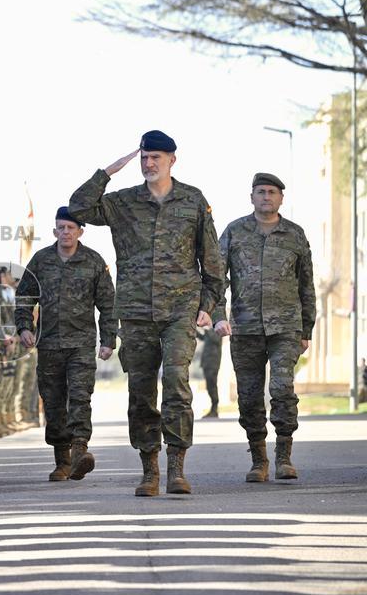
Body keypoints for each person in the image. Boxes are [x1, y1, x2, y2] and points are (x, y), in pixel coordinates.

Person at [68, 130, 223, 496]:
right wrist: (108, 171)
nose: (149, 163)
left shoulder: (193, 200)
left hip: (180, 310)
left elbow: (212, 259)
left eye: (156, 157)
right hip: (136, 312)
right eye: (144, 158)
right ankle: (149, 468)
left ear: (172, 160)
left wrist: (210, 306)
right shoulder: (123, 202)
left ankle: (177, 467)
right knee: (140, 392)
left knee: (176, 382)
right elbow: (78, 208)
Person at [212, 172, 315, 482]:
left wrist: (306, 329)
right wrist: (218, 314)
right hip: (245, 327)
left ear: (281, 198)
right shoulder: (235, 231)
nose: (266, 196)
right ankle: (259, 460)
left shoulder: (294, 234)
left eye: (271, 192)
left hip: (285, 327)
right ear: (252, 197)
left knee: (282, 389)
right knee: (249, 396)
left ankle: (284, 457)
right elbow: (216, 278)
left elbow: (306, 284)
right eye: (260, 191)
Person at [15, 206, 116, 481]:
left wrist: (108, 340)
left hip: (81, 344)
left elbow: (108, 304)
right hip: (48, 344)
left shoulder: (93, 261)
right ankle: (62, 460)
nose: (65, 232)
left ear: (80, 232)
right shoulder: (41, 260)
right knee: (54, 402)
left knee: (80, 397)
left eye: (70, 228)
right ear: (54, 231)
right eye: (61, 228)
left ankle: (80, 450)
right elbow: (24, 297)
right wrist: (24, 327)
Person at [198, 327, 223, 418]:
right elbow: (203, 338)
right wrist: (195, 331)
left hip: (213, 362)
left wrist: (207, 329)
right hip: (206, 362)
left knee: (212, 386)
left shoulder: (217, 328)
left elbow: (216, 340)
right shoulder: (210, 331)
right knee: (209, 386)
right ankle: (213, 409)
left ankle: (214, 409)